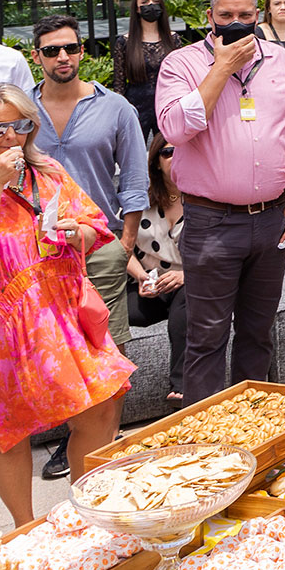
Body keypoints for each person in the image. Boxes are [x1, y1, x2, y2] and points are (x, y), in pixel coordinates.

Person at [0, 85, 132, 526]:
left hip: (64, 313)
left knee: (102, 406)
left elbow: (97, 227)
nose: (10, 137)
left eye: (20, 126)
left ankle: (87, 513)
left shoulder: (47, 170)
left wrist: (80, 232)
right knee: (10, 431)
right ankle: (26, 528)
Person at [154, 0, 285, 404]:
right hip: (211, 222)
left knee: (259, 331)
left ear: (258, 17)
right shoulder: (181, 65)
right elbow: (175, 127)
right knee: (206, 336)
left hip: (272, 219)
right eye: (226, 16)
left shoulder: (281, 61)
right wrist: (221, 67)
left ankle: (254, 425)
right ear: (209, 18)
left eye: (245, 16)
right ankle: (205, 441)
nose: (236, 23)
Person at [28, 14, 147, 480]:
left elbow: (134, 177)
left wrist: (126, 242)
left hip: (100, 248)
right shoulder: (22, 111)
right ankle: (77, 439)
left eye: (71, 49)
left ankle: (103, 443)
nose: (63, 57)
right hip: (37, 252)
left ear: (82, 52)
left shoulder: (114, 107)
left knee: (107, 352)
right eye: (52, 50)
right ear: (36, 56)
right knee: (58, 353)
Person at [128, 129, 188, 404]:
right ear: (156, 161)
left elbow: (219, 253)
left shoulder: (206, 195)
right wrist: (140, 276)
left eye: (182, 150)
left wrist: (184, 274)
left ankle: (182, 386)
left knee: (187, 300)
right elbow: (122, 246)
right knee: (103, 311)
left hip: (193, 280)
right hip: (149, 284)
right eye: (167, 152)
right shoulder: (141, 199)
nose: (175, 157)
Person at [116, 0, 182, 137]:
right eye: (145, 3)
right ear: (137, 9)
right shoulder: (124, 42)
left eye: (155, 1)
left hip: (167, 105)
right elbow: (119, 84)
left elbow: (181, 76)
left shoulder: (173, 40)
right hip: (136, 108)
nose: (150, 5)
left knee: (168, 153)